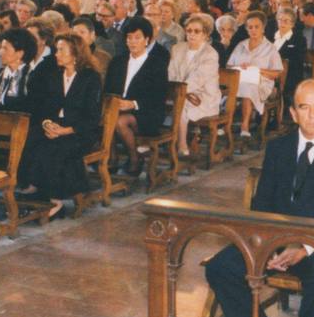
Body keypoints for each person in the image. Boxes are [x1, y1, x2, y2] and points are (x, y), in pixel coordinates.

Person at [204, 80, 314, 317]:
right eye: (304, 107)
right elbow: (263, 201)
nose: (312, 115)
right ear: (293, 113)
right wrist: (267, 244)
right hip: (274, 238)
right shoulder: (280, 147)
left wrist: (303, 248)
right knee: (220, 267)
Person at [21, 32, 101, 214]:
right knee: (32, 139)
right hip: (55, 125)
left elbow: (92, 117)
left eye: (61, 50)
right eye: (56, 50)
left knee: (55, 147)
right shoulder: (54, 75)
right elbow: (44, 107)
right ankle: (33, 187)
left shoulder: (90, 78)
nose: (56, 54)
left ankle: (54, 199)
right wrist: (47, 124)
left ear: (75, 53)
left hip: (79, 131)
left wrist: (64, 131)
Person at [103, 16, 169, 177]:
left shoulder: (156, 64)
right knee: (107, 115)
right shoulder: (117, 61)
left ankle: (134, 157)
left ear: (147, 39)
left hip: (147, 112)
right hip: (117, 108)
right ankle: (111, 157)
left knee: (119, 120)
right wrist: (116, 101)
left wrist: (132, 104)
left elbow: (158, 96)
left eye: (137, 38)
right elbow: (108, 89)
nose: (132, 42)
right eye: (129, 37)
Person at [168, 13, 221, 159]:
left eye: (197, 31)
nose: (192, 34)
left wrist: (180, 92)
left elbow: (198, 79)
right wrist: (174, 89)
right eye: (189, 30)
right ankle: (161, 140)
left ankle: (182, 144)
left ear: (205, 34)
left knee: (182, 104)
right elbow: (171, 72)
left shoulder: (211, 54)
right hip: (178, 91)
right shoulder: (177, 48)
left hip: (203, 97)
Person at [228, 11, 283, 140]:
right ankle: (226, 123)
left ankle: (245, 125)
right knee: (232, 88)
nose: (253, 30)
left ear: (263, 28)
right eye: (250, 27)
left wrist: (258, 70)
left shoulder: (270, 48)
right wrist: (240, 67)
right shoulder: (241, 45)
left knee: (248, 88)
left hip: (262, 82)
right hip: (240, 79)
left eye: (257, 27)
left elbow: (277, 72)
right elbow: (229, 66)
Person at [0, 27, 38, 112]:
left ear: (20, 54)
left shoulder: (33, 78)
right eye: (1, 47)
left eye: (5, 48)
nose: (1, 52)